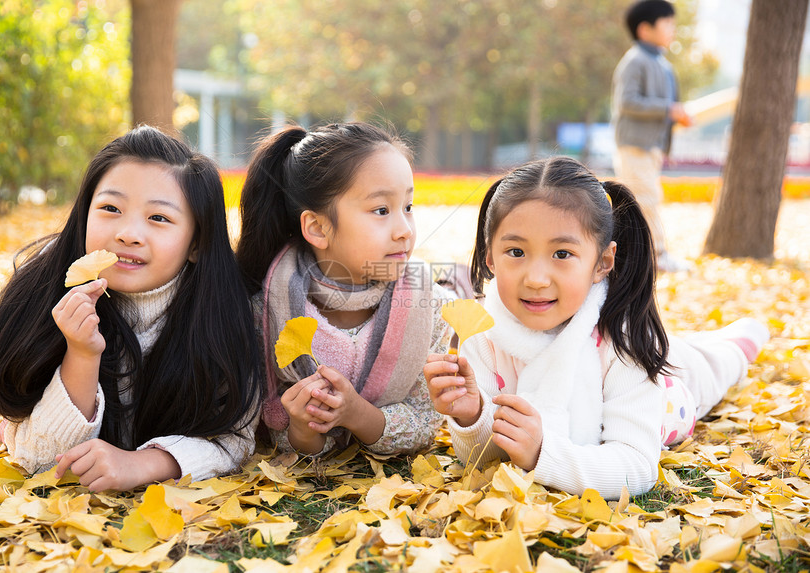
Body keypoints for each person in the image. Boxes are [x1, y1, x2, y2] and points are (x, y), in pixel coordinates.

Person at [424, 156, 769, 500]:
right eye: (516, 251)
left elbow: (636, 467)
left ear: (603, 262)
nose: (536, 279)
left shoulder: (625, 342)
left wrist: (544, 453)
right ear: (489, 257)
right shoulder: (483, 334)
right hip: (644, 361)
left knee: (716, 362)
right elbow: (486, 455)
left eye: (561, 254)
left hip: (670, 388)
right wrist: (472, 416)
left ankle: (743, 340)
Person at [0, 126, 264, 492]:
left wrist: (142, 464)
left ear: (196, 243)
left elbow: (232, 438)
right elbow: (41, 463)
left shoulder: (222, 312)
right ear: (84, 214)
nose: (129, 233)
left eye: (158, 218)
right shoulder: (40, 292)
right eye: (110, 209)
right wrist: (82, 354)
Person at [237, 122, 451, 456]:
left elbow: (424, 423)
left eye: (408, 207)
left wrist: (357, 414)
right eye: (381, 210)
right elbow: (275, 430)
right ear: (318, 227)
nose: (404, 230)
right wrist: (303, 430)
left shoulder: (430, 308)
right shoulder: (266, 311)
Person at [611, 0, 692, 273]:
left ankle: (638, 257)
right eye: (667, 23)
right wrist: (669, 110)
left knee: (644, 198)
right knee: (644, 199)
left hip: (650, 146)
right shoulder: (635, 61)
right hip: (634, 145)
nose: (673, 29)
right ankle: (656, 256)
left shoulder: (661, 63)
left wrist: (676, 115)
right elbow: (627, 101)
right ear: (645, 30)